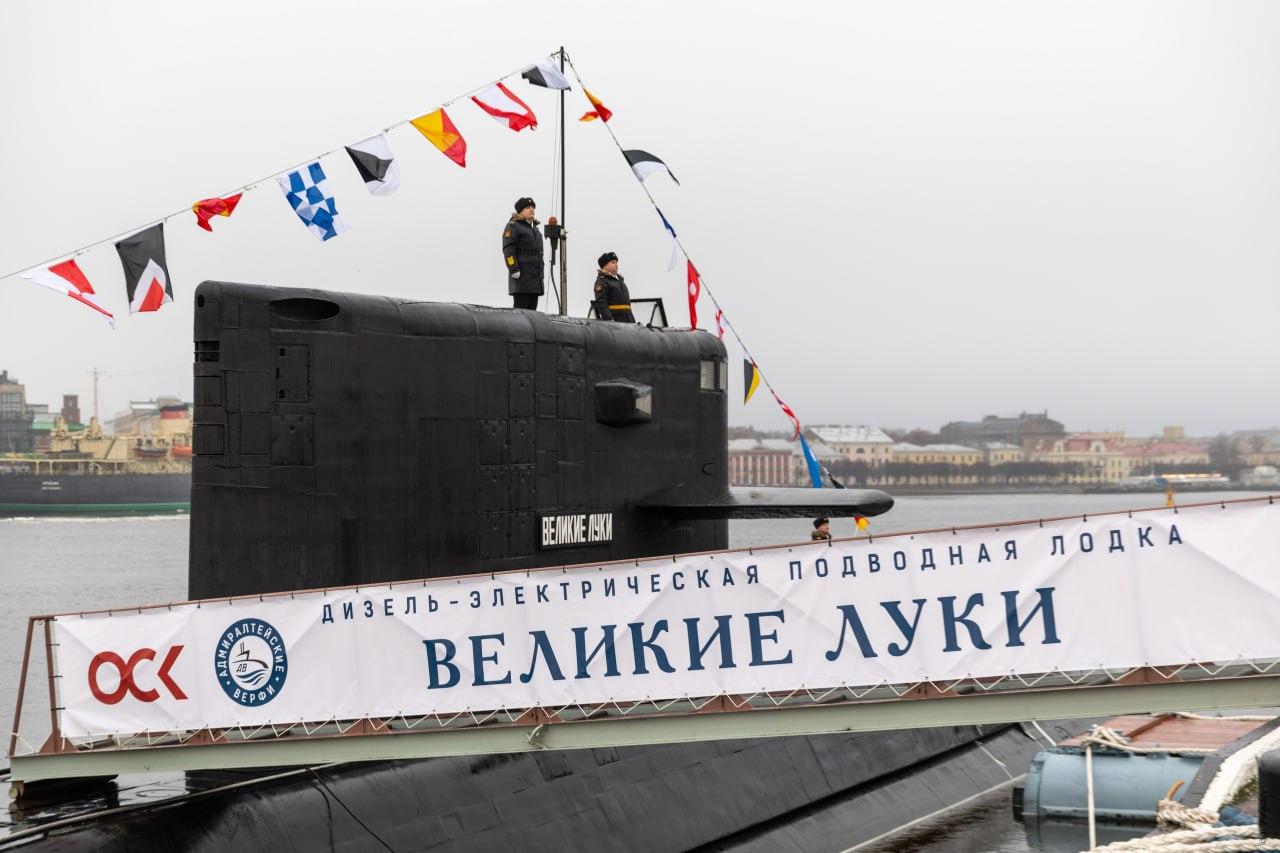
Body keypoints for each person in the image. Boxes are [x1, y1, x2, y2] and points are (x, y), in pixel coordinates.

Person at [502, 197, 544, 309]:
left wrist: (541, 275)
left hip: (535, 281)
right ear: (520, 211)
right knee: (521, 313)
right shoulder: (513, 226)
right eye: (528, 207)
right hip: (522, 280)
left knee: (532, 314)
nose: (532, 209)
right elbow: (508, 250)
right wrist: (513, 268)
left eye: (533, 207)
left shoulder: (535, 230)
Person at [592, 252, 634, 322]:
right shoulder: (602, 281)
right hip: (616, 323)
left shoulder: (620, 281)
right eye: (613, 262)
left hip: (628, 321)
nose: (616, 265)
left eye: (616, 262)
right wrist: (611, 321)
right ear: (604, 265)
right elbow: (602, 304)